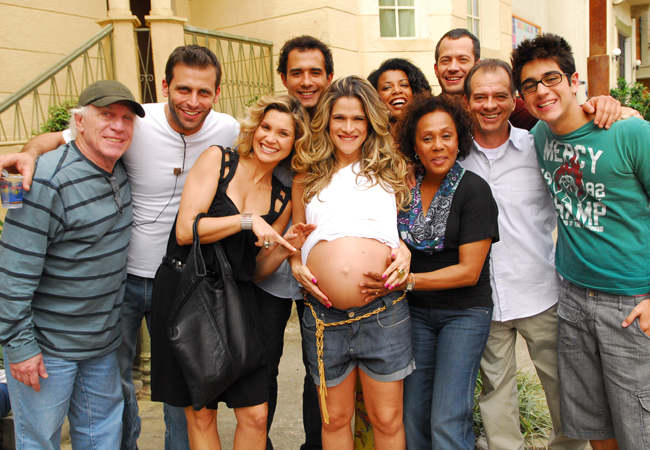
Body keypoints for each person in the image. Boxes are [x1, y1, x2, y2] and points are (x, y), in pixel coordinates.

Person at [1, 44, 239, 450]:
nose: (193, 101)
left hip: (174, 283)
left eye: (204, 92)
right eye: (183, 89)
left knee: (172, 393)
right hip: (115, 290)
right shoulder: (124, 130)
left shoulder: (226, 131)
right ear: (165, 86)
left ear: (217, 93)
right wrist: (27, 156)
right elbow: (57, 140)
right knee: (105, 403)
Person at [511, 33, 650, 450]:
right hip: (571, 298)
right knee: (595, 428)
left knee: (639, 431)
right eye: (530, 84)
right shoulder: (540, 136)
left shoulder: (629, 132)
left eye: (550, 78)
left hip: (629, 306)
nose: (541, 90)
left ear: (574, 81)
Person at [150, 93, 313, 450]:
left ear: (295, 143)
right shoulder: (219, 160)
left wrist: (289, 246)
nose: (271, 138)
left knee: (255, 414)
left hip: (237, 299)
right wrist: (246, 220)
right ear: (255, 129)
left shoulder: (282, 198)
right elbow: (185, 230)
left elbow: (255, 272)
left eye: (283, 134)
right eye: (266, 128)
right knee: (201, 412)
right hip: (186, 292)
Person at [0, 80, 144, 449]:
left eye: (126, 118)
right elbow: (12, 272)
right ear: (78, 123)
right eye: (106, 115)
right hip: (48, 349)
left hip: (102, 344)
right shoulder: (44, 180)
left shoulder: (120, 166)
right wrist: (20, 348)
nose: (118, 125)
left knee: (102, 438)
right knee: (39, 442)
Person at [461, 59, 588, 450]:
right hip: (484, 299)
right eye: (480, 96)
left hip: (541, 292)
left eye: (500, 95)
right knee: (496, 391)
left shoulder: (541, 147)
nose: (490, 104)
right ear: (467, 102)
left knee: (565, 388)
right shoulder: (455, 156)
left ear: (514, 99)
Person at [364, 93, 499, 450]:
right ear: (414, 144)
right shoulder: (403, 188)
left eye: (446, 136)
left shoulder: (474, 191)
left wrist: (406, 282)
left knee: (447, 418)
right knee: (413, 415)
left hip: (464, 313)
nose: (438, 146)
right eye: (427, 138)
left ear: (459, 140)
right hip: (417, 315)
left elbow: (469, 272)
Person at [290, 75, 413, 450]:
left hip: (384, 313)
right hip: (324, 318)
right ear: (326, 120)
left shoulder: (393, 169)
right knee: (335, 420)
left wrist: (405, 249)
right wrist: (296, 263)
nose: (348, 128)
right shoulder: (306, 175)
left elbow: (406, 228)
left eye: (357, 119)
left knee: (387, 420)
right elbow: (298, 237)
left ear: (370, 121)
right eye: (339, 118)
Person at [265, 35, 335, 450]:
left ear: (329, 76)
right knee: (262, 364)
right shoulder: (270, 121)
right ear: (283, 77)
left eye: (315, 72)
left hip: (320, 267)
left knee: (320, 369)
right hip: (271, 266)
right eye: (297, 72)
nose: (306, 81)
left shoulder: (343, 122)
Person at [433, 28, 625, 131]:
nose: (453, 68)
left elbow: (559, 114)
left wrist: (601, 108)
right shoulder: (429, 112)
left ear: (477, 64)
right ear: (436, 68)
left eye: (462, 59)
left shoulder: (513, 109)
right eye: (445, 60)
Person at [367, 58, 431, 138]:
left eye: (404, 85)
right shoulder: (367, 143)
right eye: (387, 87)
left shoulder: (429, 136)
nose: (397, 90)